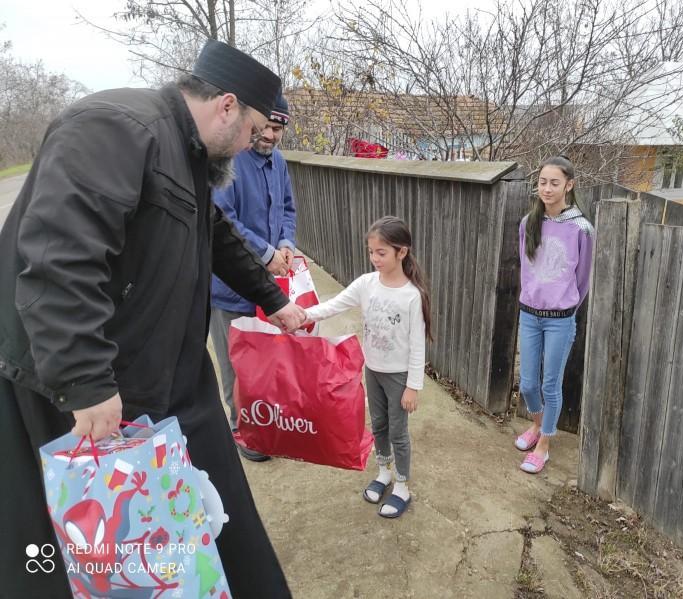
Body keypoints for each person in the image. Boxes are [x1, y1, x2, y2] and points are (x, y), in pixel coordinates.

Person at [0, 39, 303, 598]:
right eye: (252, 129)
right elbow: (57, 257)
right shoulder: (114, 127)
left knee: (215, 517)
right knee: (80, 539)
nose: (251, 144)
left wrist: (275, 300)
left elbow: (220, 238)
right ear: (227, 106)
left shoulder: (188, 152)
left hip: (167, 375)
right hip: (72, 385)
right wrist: (85, 379)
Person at [303, 216, 432, 518]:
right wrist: (301, 315)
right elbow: (333, 305)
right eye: (371, 252)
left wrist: (414, 386)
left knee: (399, 432)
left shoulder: (412, 295)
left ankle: (402, 486)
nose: (374, 258)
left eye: (381, 252)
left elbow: (417, 345)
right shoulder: (366, 284)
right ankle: (383, 472)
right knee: (378, 425)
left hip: (399, 376)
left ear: (402, 252)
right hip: (372, 370)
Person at [209, 94, 296, 461]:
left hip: (270, 285)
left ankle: (266, 422)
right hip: (230, 289)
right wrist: (267, 253)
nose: (272, 136)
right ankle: (241, 428)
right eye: (268, 127)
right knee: (236, 364)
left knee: (265, 363)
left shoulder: (278, 162)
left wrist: (287, 243)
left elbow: (288, 207)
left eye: (279, 130)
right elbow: (224, 221)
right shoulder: (229, 160)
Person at [514, 155, 594, 474]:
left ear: (569, 185)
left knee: (550, 384)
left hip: (560, 319)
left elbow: (584, 278)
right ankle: (536, 426)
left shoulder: (581, 229)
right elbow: (526, 267)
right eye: (543, 182)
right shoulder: (528, 223)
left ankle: (544, 445)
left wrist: (566, 307)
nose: (547, 189)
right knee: (528, 384)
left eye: (554, 183)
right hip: (529, 315)